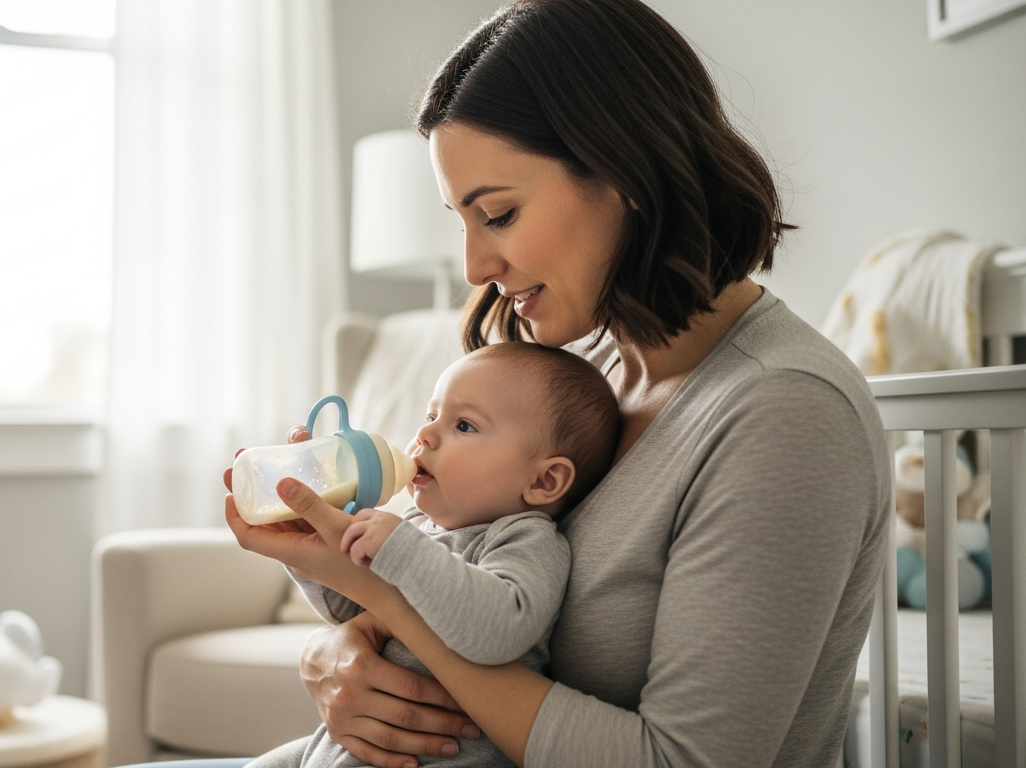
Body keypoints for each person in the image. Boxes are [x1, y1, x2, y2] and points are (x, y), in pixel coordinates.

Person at [130, 0, 890, 766]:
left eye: (497, 213)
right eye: (461, 220)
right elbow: (437, 589)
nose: (474, 268)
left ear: (626, 170)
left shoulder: (785, 413)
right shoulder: (575, 378)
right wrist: (336, 655)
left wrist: (392, 602)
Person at [248, 342, 619, 768]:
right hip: (350, 744)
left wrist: (403, 552)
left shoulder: (523, 538)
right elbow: (348, 611)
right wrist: (307, 550)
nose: (424, 435)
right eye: (430, 416)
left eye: (463, 425)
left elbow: (503, 629)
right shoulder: (413, 525)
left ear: (544, 481)